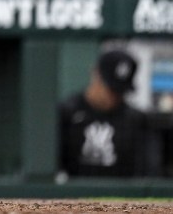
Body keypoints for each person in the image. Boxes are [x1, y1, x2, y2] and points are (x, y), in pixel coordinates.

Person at [58, 48, 155, 178]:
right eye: (111, 89)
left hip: (120, 196)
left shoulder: (135, 120)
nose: (114, 96)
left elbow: (147, 172)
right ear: (95, 74)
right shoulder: (67, 113)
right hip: (72, 195)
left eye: (120, 91)